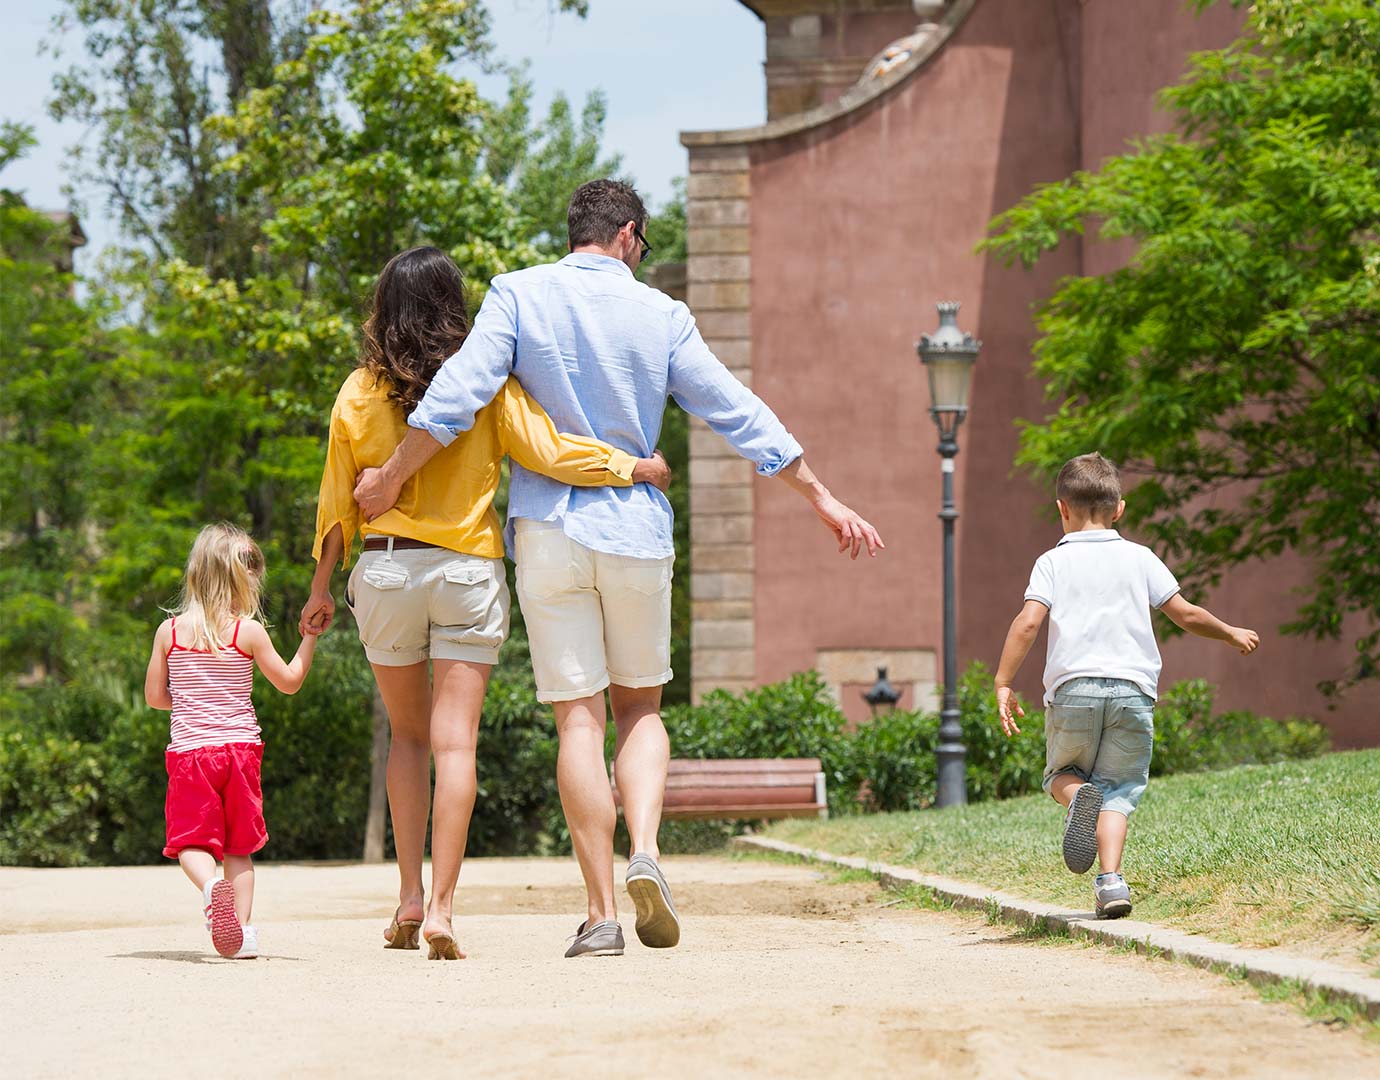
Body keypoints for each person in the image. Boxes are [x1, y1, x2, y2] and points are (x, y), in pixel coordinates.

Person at [353, 180, 883, 958]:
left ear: (577, 230)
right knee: (641, 708)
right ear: (629, 234)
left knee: (579, 716)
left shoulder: (519, 294)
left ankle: (601, 912)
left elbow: (459, 393)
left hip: (548, 534)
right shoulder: (662, 315)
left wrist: (394, 474)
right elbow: (734, 407)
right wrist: (821, 495)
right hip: (634, 529)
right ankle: (647, 853)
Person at [300, 246, 670, 960]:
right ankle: (441, 908)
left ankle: (408, 895)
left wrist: (320, 592)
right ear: (453, 308)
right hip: (467, 573)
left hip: (384, 572)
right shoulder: (488, 385)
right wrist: (631, 465)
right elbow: (554, 452)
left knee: (407, 738)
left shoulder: (356, 391)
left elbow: (335, 504)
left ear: (384, 308)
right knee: (454, 743)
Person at [993, 452, 1259, 918]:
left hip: (1073, 689)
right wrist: (1231, 631)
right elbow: (1185, 613)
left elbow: (1028, 623)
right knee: (1118, 790)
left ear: (1061, 509)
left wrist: (1003, 681)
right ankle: (1111, 882)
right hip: (1133, 691)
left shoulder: (1052, 562)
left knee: (1063, 776)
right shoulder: (1141, 558)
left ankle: (1078, 799)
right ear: (1119, 508)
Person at [144, 522, 317, 959]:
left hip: (190, 755)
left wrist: (187, 700)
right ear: (242, 581)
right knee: (240, 848)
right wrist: (310, 638)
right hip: (240, 753)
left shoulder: (170, 633)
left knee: (190, 843)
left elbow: (154, 697)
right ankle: (243, 934)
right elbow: (291, 681)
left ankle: (209, 887)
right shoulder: (248, 633)